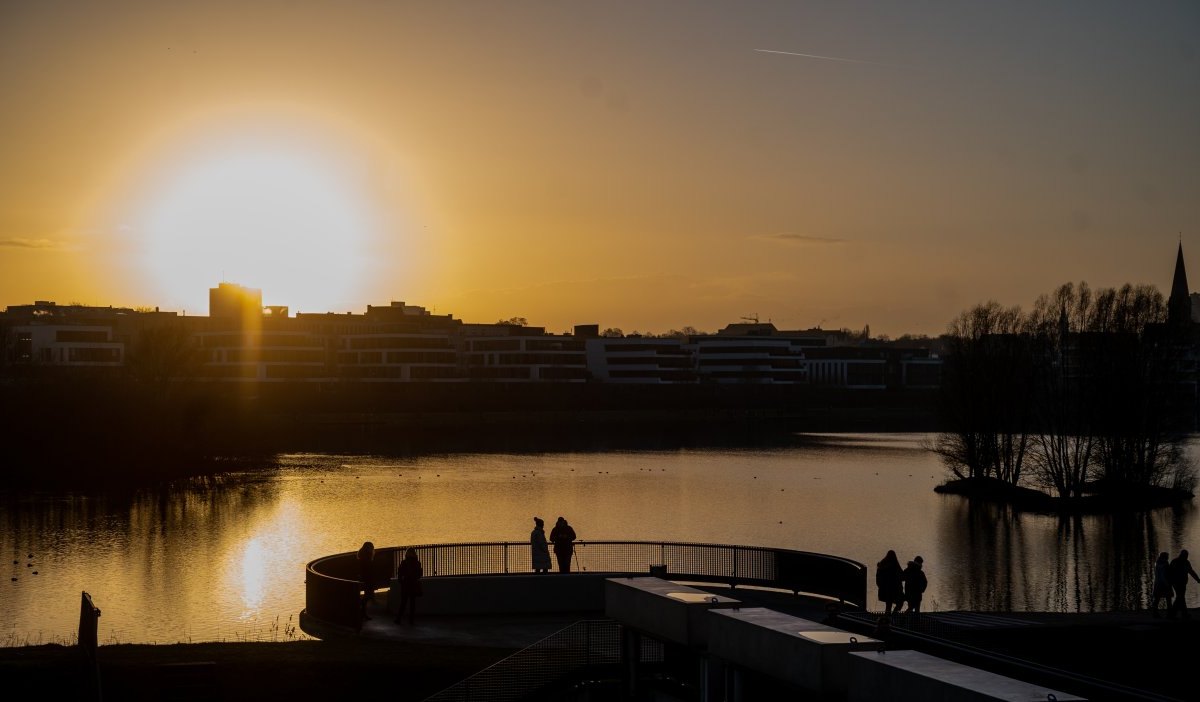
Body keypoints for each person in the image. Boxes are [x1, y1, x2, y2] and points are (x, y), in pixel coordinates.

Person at [1167, 549, 1200, 619]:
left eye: (1187, 556)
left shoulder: (1186, 562)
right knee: (1180, 597)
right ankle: (1173, 614)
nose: (1186, 557)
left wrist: (1197, 579)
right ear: (1181, 555)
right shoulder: (1175, 562)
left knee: (1181, 597)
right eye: (1185, 555)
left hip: (1183, 583)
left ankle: (1183, 613)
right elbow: (1169, 572)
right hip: (1176, 583)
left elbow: (1191, 571)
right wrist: (1170, 582)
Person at [394, 547, 423, 625]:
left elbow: (399, 573)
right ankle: (411, 620)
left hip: (405, 585)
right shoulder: (417, 563)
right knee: (412, 604)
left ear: (406, 554)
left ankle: (398, 619)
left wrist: (401, 581)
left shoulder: (404, 562)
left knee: (403, 603)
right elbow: (419, 574)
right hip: (413, 584)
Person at [876, 550, 903, 616]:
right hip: (895, 589)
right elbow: (902, 575)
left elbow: (878, 577)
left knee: (888, 605)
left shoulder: (882, 564)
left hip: (885, 589)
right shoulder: (895, 564)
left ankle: (888, 618)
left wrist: (880, 586)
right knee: (900, 602)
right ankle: (893, 616)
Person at [357, 541, 375, 621]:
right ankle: (362, 612)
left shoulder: (361, 557)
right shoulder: (367, 558)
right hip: (367, 580)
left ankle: (362, 612)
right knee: (367, 597)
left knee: (366, 596)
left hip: (364, 579)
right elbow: (368, 570)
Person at [1151, 551, 1172, 616]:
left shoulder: (1157, 563)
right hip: (1164, 583)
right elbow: (1163, 575)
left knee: (1157, 598)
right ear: (1165, 557)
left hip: (1157, 583)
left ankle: (1155, 612)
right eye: (1167, 556)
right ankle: (1169, 613)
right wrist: (1167, 584)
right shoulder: (1165, 564)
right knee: (1168, 598)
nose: (1168, 558)